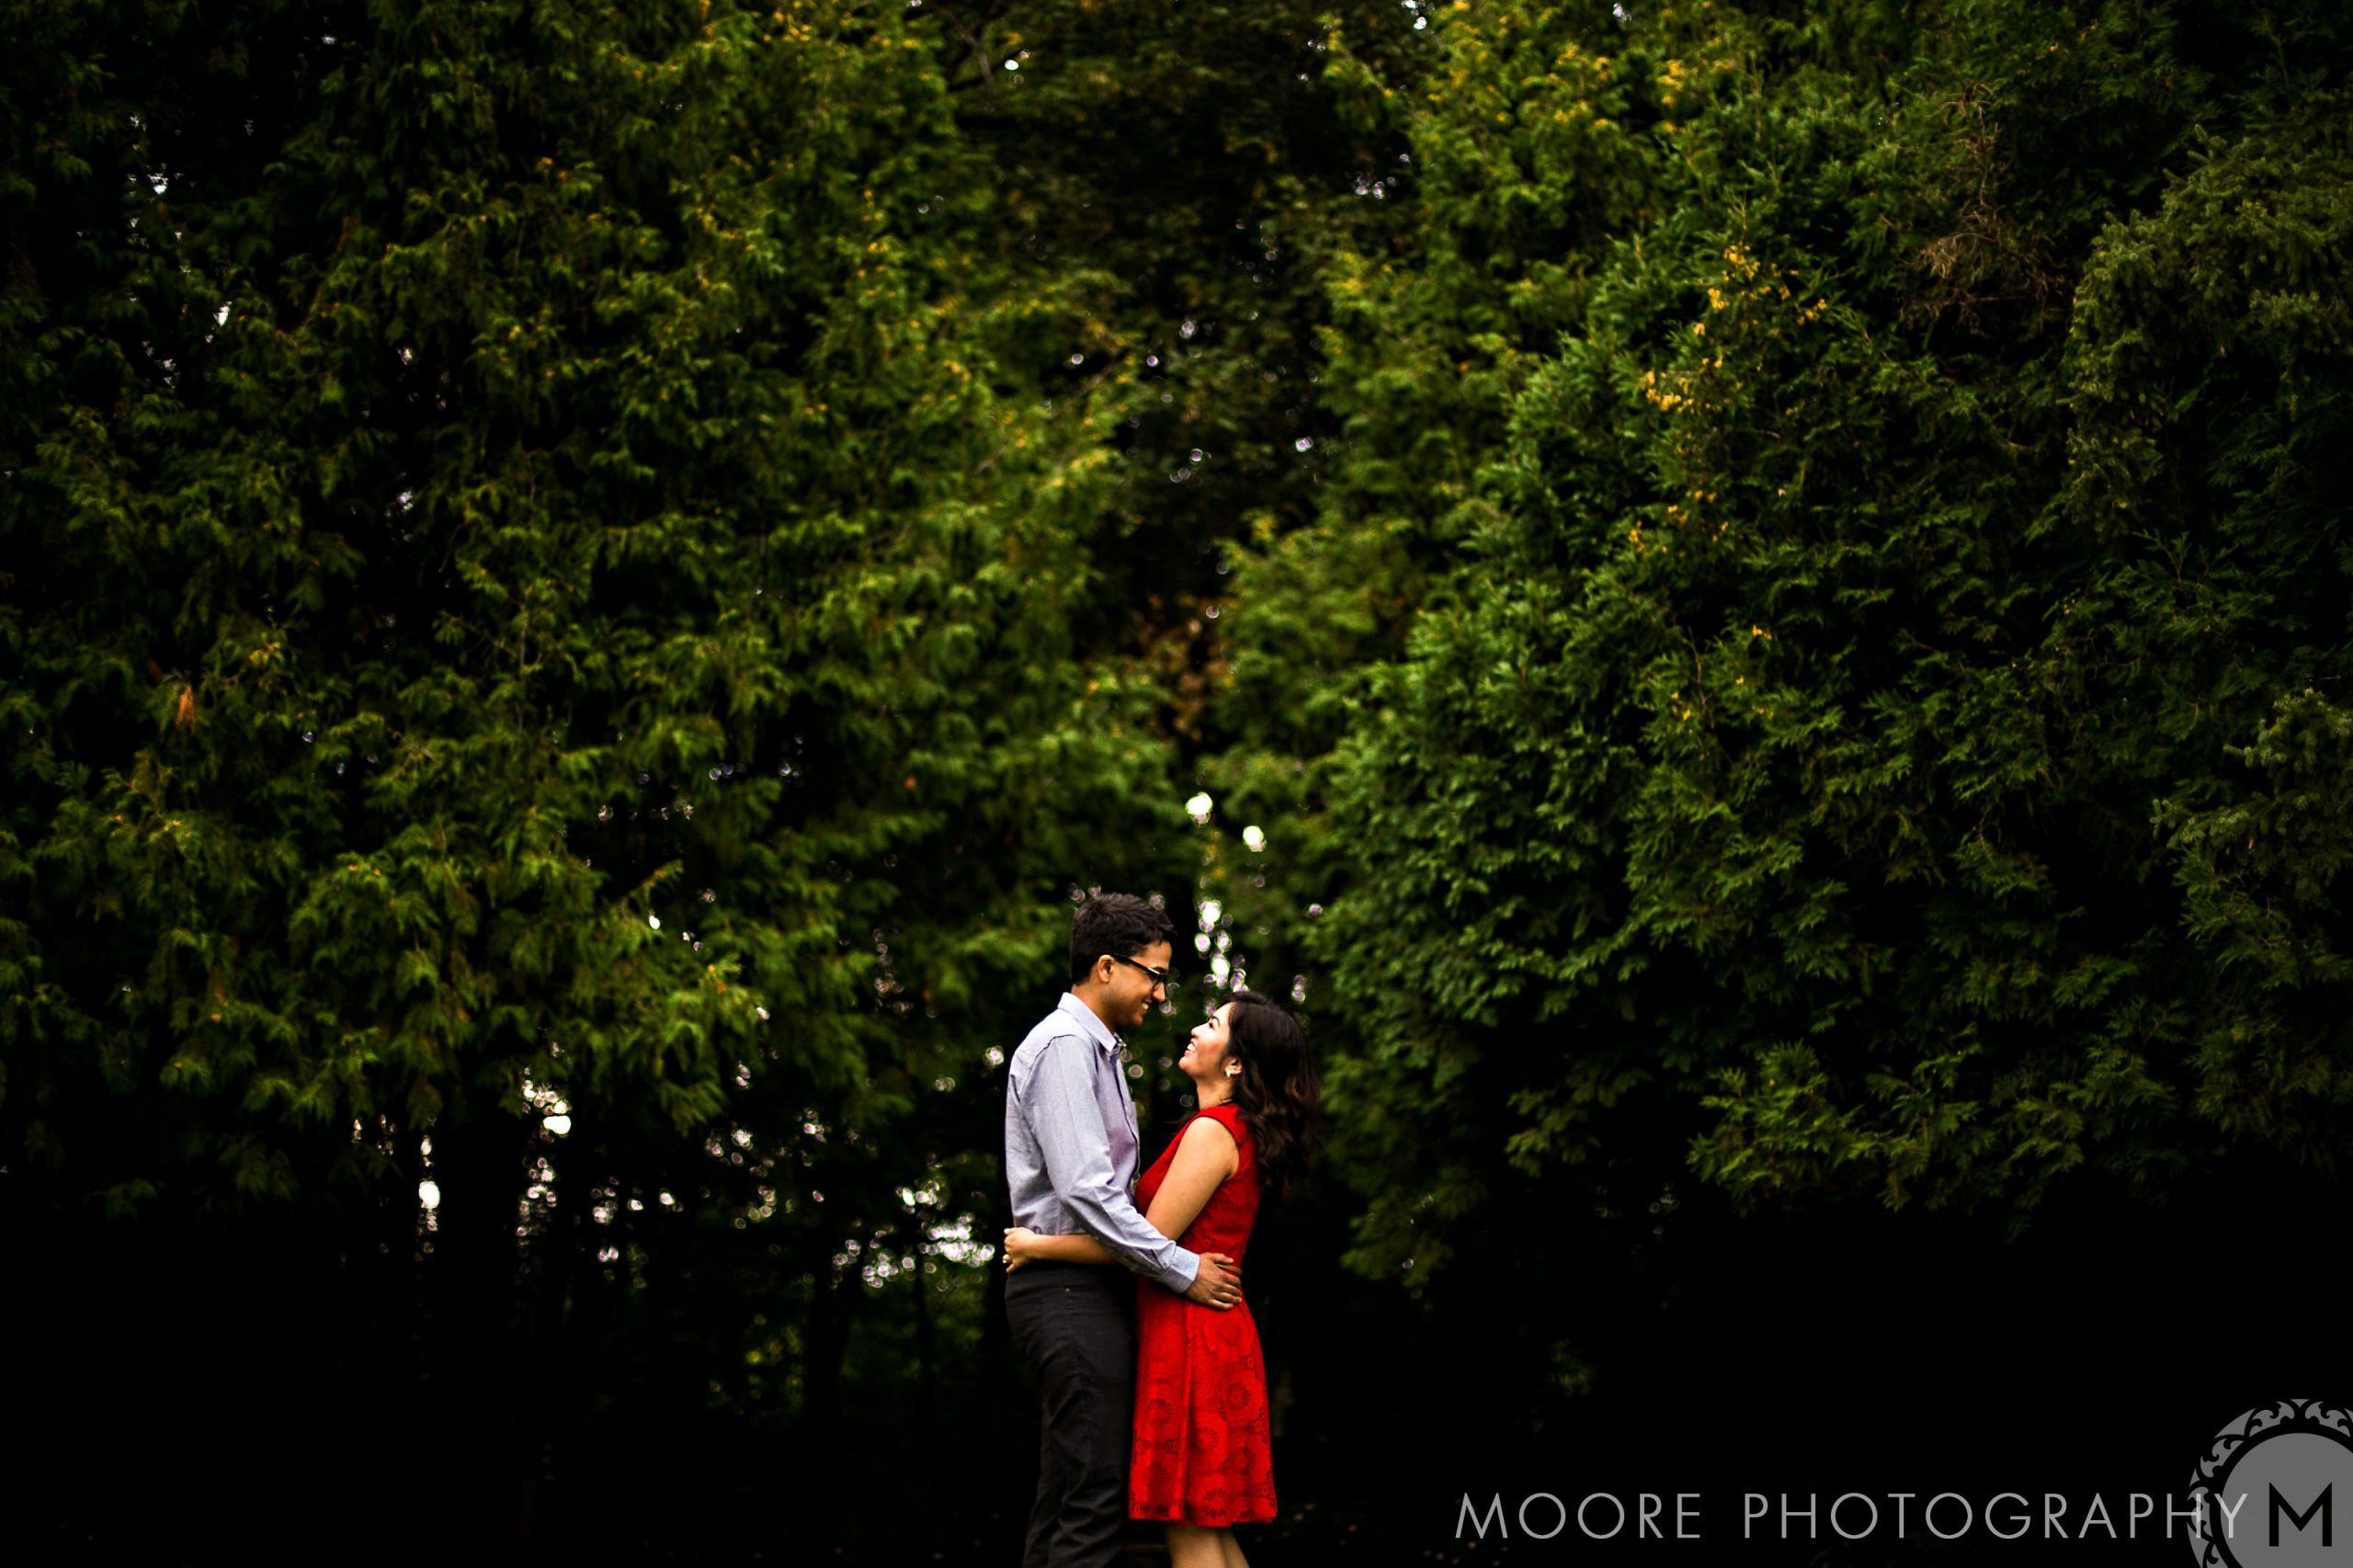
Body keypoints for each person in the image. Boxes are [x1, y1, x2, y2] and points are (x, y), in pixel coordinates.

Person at [1006, 989, 1320, 1568]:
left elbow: (1144, 1244)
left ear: (1235, 1063)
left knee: (1189, 1528)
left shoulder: (1212, 1132)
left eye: (1213, 1024)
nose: (1196, 1029)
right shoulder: (1232, 1129)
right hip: (1207, 1327)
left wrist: (1038, 1244)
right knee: (1208, 1527)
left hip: (1191, 1333)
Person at [1003, 893, 1246, 1568]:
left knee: (1068, 1489)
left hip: (1084, 1286)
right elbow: (1087, 1190)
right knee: (1095, 1491)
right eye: (1154, 975)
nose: (1162, 995)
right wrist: (1180, 1267)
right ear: (1107, 967)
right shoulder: (1064, 1048)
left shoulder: (1098, 1052)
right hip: (1066, 1294)